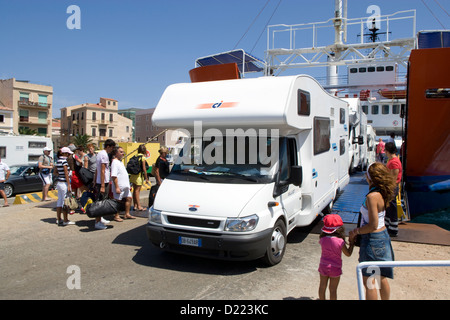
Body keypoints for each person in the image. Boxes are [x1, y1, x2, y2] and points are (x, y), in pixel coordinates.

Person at [349, 162, 396, 300]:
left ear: (371, 177)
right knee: (381, 277)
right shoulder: (383, 192)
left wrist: (356, 231)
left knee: (369, 280)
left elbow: (372, 225)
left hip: (372, 240)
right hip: (383, 237)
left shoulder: (372, 197)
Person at [318, 214, 354, 300]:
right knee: (333, 290)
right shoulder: (340, 241)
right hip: (335, 267)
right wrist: (352, 243)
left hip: (323, 265)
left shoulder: (322, 239)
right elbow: (348, 254)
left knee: (322, 287)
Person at [94, 139, 117, 229]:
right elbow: (103, 170)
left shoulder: (100, 153)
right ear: (108, 146)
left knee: (101, 201)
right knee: (101, 202)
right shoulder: (104, 155)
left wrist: (95, 180)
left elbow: (97, 169)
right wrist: (103, 185)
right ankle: (97, 222)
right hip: (103, 182)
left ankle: (100, 218)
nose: (112, 149)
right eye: (112, 147)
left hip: (101, 181)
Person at [111, 146, 135, 220]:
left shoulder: (120, 162)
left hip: (125, 186)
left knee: (129, 198)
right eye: (121, 152)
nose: (123, 153)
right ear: (116, 153)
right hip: (119, 186)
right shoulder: (114, 162)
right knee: (118, 201)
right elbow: (114, 176)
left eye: (123, 152)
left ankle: (127, 214)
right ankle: (116, 215)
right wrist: (117, 187)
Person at [385, 142, 402, 237]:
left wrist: (389, 187)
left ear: (387, 151)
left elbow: (394, 176)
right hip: (391, 186)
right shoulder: (391, 160)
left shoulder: (394, 162)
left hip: (392, 187)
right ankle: (388, 226)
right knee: (389, 207)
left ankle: (393, 229)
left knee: (392, 207)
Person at [54, 147, 75, 226]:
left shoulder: (58, 161)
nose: (69, 155)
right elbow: (66, 173)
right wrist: (69, 184)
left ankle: (58, 218)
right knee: (65, 202)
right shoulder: (64, 162)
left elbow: (55, 172)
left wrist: (60, 175)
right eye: (68, 154)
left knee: (59, 201)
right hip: (64, 183)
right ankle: (65, 220)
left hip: (59, 182)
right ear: (65, 154)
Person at [129, 144, 149, 211]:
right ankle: (139, 206)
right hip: (138, 177)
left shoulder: (135, 156)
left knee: (135, 191)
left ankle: (135, 205)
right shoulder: (142, 157)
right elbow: (144, 169)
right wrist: (146, 178)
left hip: (133, 175)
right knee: (137, 191)